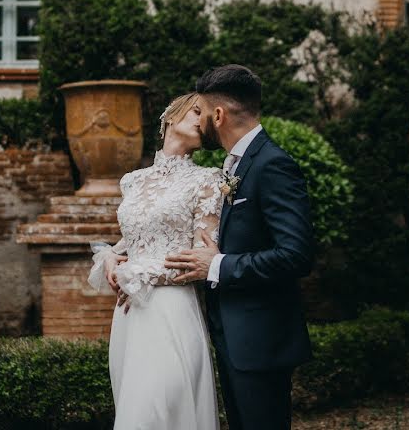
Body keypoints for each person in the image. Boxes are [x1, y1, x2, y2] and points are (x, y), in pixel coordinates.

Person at [165, 64, 315, 430]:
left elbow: (296, 254)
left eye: (201, 112)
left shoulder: (272, 164)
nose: (199, 122)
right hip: (233, 336)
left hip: (261, 341)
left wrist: (217, 265)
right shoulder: (236, 164)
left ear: (219, 115)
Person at [88, 92, 224, 430]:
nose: (200, 119)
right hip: (130, 314)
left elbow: (201, 257)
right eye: (195, 111)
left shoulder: (208, 180)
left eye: (205, 117)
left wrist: (137, 272)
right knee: (134, 405)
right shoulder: (132, 180)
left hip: (170, 310)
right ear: (168, 118)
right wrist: (110, 255)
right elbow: (134, 239)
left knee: (158, 408)